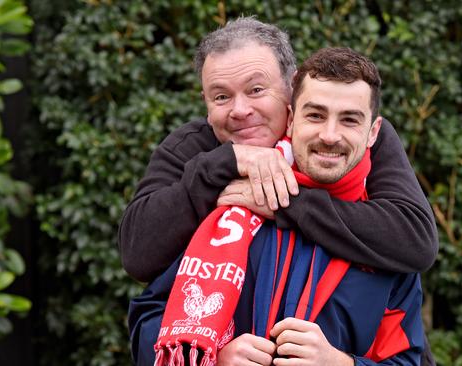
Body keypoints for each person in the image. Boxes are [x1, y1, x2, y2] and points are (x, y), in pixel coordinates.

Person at [121, 17, 438, 365]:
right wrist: (212, 356)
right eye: (221, 96)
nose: (241, 111)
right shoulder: (207, 184)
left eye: (256, 90)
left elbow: (417, 244)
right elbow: (144, 278)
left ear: (290, 92)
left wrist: (284, 203)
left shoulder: (364, 162)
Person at [218, 46, 425, 366]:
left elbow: (408, 360)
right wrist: (213, 356)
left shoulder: (392, 241)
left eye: (349, 120)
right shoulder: (234, 205)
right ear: (289, 120)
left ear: (373, 133)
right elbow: (151, 320)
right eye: (315, 115)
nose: (330, 135)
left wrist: (341, 363)